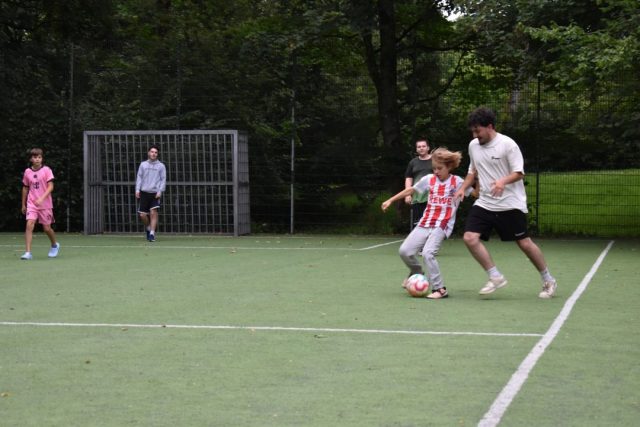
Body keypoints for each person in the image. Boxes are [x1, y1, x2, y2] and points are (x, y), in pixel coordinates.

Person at [454, 107, 557, 299]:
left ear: (490, 126)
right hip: (485, 202)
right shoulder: (473, 146)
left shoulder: (508, 145)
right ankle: (495, 276)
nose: (475, 135)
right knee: (469, 237)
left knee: (524, 243)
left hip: (510, 203)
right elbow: (472, 172)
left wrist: (502, 181)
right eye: (472, 131)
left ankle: (548, 280)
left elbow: (519, 173)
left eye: (478, 131)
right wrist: (462, 188)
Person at [382, 148, 472, 299]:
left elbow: (475, 193)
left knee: (428, 253)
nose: (436, 171)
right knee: (405, 251)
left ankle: (440, 289)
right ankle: (417, 271)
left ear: (449, 166)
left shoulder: (458, 182)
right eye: (434, 168)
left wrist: (479, 179)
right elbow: (410, 190)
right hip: (425, 222)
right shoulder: (429, 179)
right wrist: (390, 200)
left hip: (442, 224)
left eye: (440, 168)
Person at [20, 148, 60, 260]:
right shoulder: (27, 172)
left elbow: (51, 186)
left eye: (39, 157)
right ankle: (28, 253)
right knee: (29, 224)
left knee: (47, 228)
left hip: (45, 204)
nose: (37, 159)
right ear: (31, 159)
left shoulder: (47, 170)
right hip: (32, 203)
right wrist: (23, 204)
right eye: (35, 157)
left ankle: (54, 245)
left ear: (42, 158)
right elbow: (25, 188)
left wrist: (42, 198)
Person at [135, 145, 166, 242]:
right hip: (144, 192)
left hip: (155, 193)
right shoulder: (143, 164)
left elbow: (163, 179)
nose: (154, 154)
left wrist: (160, 191)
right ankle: (148, 228)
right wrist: (137, 190)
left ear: (157, 154)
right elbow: (139, 177)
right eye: (152, 152)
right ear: (148, 153)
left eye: (156, 152)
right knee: (142, 215)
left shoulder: (161, 166)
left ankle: (152, 233)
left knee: (153, 213)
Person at [404, 139, 432, 229]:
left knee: (431, 224)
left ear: (428, 148)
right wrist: (407, 194)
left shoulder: (435, 160)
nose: (421, 148)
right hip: (417, 197)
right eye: (419, 147)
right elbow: (408, 178)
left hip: (433, 197)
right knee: (417, 224)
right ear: (416, 149)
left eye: (423, 146)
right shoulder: (413, 162)